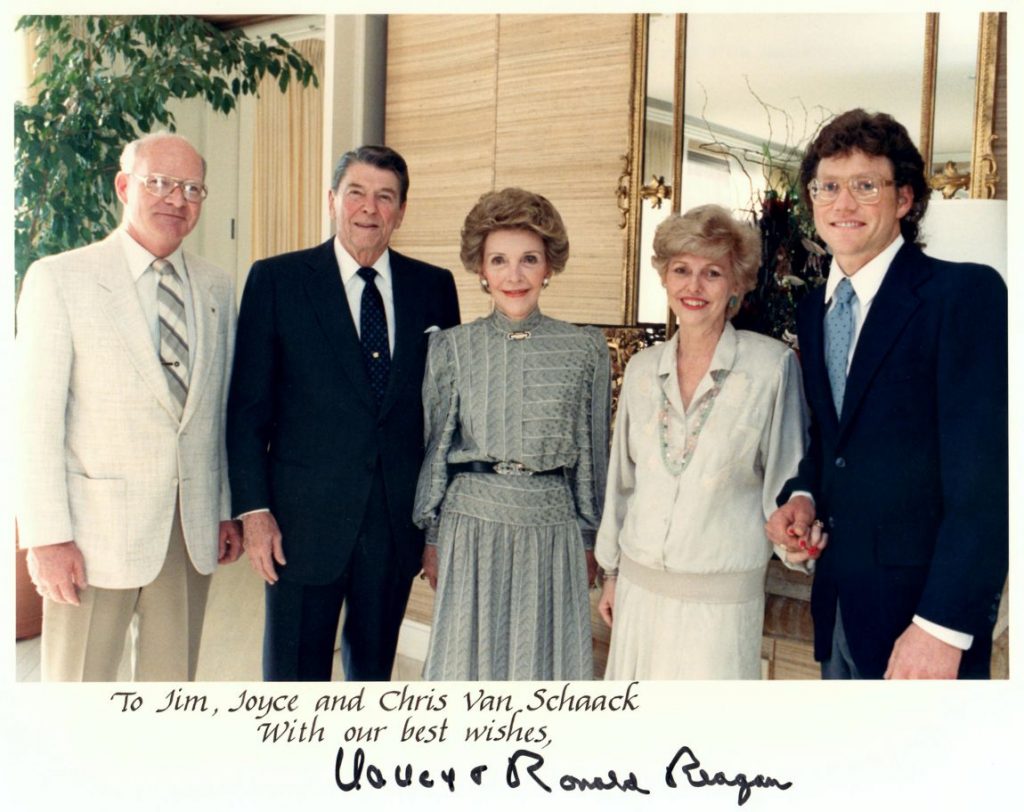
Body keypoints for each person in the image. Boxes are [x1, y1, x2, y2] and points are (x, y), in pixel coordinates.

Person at [765, 109, 1008, 679]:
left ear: (904, 200)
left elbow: (989, 480)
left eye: (865, 186)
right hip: (842, 609)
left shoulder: (963, 295)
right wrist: (801, 495)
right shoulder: (815, 307)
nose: (842, 203)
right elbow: (833, 444)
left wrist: (941, 627)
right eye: (828, 186)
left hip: (923, 625)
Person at [227, 145, 460, 681]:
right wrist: (254, 512)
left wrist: (436, 525)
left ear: (401, 211)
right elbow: (247, 410)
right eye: (356, 192)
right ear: (332, 200)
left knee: (373, 673)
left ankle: (358, 763)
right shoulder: (277, 281)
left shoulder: (434, 287)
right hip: (300, 522)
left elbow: (445, 415)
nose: (369, 208)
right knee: (293, 677)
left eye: (385, 197)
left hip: (394, 519)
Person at [15, 132, 241, 681]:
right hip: (92, 534)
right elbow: (32, 421)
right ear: (124, 186)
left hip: (187, 531)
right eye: (159, 183)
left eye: (191, 188)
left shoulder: (217, 287)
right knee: (78, 694)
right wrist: (46, 537)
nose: (175, 199)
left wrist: (224, 507)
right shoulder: (59, 278)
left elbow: (219, 413)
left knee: (170, 692)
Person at [595, 205, 811, 680]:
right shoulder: (640, 370)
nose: (694, 287)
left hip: (720, 606)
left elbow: (788, 484)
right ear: (665, 278)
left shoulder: (771, 368)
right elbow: (622, 484)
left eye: (712, 273)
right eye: (682, 270)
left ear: (737, 284)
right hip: (638, 591)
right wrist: (611, 574)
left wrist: (798, 541)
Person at [413, 187, 610, 680]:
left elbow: (593, 454)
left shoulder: (585, 349)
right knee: (466, 669)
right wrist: (433, 538)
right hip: (471, 526)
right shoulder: (452, 348)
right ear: (481, 270)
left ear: (549, 267)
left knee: (545, 670)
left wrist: (591, 539)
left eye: (529, 259)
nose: (514, 275)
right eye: (498, 260)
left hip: (552, 527)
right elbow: (436, 450)